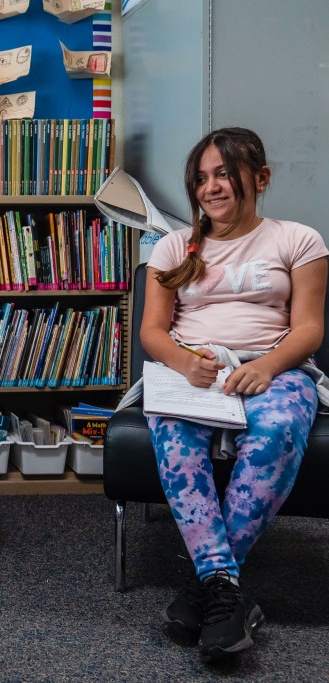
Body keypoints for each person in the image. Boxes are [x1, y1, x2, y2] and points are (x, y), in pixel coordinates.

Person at [139, 127, 328, 661]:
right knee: (175, 438)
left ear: (260, 178)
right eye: (201, 178)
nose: (211, 187)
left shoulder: (298, 239)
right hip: (192, 370)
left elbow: (309, 329)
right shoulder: (174, 246)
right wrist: (185, 363)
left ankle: (209, 585)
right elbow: (153, 331)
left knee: (277, 429)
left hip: (276, 366)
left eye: (224, 173)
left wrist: (267, 366)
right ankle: (225, 589)